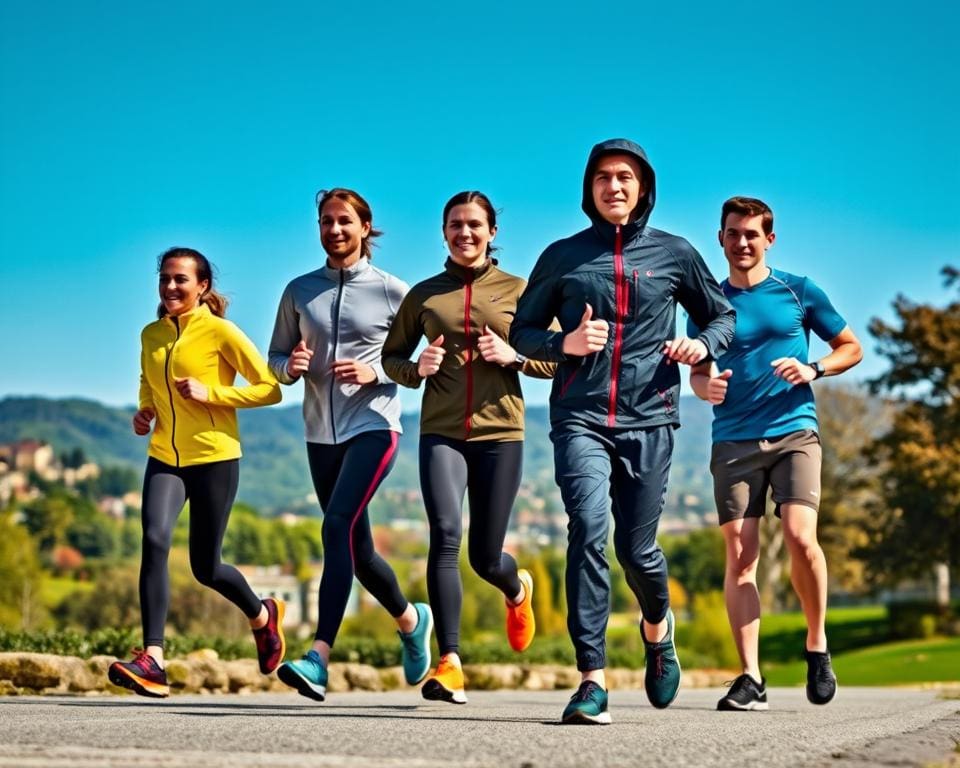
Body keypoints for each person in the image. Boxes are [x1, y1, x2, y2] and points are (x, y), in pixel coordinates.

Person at [510, 139, 736, 724]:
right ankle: (592, 681)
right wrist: (564, 343)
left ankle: (658, 632)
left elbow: (721, 315)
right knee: (587, 530)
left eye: (626, 178)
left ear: (643, 189)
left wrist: (700, 345)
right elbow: (522, 330)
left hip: (651, 415)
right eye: (604, 177)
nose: (614, 186)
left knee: (637, 551)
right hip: (579, 416)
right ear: (589, 188)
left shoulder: (675, 254)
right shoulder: (563, 257)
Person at [688, 196, 862, 711]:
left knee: (800, 537)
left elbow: (850, 346)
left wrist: (815, 370)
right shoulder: (707, 302)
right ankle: (750, 678)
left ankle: (817, 644)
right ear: (720, 238)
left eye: (752, 234)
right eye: (733, 233)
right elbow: (697, 369)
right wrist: (704, 388)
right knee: (741, 559)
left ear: (769, 239)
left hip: (794, 432)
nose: (742, 243)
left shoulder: (798, 291)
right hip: (733, 439)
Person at [382, 191, 555, 704]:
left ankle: (515, 588)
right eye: (455, 225)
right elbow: (392, 357)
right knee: (445, 534)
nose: (465, 233)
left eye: (475, 225)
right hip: (440, 432)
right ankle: (451, 661)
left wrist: (515, 357)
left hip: (502, 434)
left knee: (484, 557)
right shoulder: (425, 296)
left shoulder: (519, 291)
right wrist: (417, 371)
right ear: (444, 232)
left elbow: (557, 355)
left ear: (492, 231)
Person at [268, 188, 432, 702]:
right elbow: (274, 357)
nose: (334, 230)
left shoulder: (392, 290)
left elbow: (414, 365)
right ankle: (410, 620)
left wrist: (375, 370)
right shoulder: (299, 291)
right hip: (320, 433)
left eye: (344, 221)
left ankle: (318, 656)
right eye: (325, 221)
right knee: (357, 551)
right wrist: (288, 368)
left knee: (334, 525)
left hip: (375, 426)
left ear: (365, 228)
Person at [108, 247, 285, 698]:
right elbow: (148, 382)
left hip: (214, 457)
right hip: (164, 455)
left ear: (202, 286)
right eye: (165, 279)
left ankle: (262, 616)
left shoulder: (221, 332)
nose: (170, 287)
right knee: (153, 539)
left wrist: (213, 393)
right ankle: (154, 659)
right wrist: (144, 411)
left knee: (206, 566)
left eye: (180, 280)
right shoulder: (151, 334)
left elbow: (269, 389)